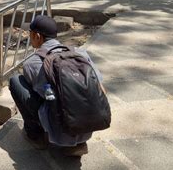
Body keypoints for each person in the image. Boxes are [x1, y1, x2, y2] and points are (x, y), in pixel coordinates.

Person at [9, 15, 103, 156]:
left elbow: (45, 96)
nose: (30, 37)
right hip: (90, 121)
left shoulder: (32, 63)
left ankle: (36, 136)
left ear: (38, 36)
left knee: (16, 81)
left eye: (30, 34)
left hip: (59, 128)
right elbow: (100, 87)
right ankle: (80, 142)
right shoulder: (79, 53)